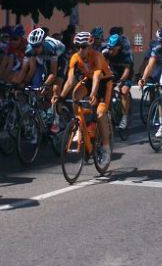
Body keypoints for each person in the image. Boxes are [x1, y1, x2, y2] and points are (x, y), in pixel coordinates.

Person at [53, 31, 113, 165]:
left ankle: (106, 148)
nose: (81, 49)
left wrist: (92, 94)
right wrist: (61, 97)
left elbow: (97, 77)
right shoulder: (75, 58)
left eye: (84, 46)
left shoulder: (96, 56)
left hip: (104, 81)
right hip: (89, 80)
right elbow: (70, 80)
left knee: (100, 113)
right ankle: (78, 124)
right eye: (78, 46)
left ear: (90, 46)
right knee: (75, 95)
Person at [103, 34, 134, 129]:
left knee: (124, 91)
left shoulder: (125, 54)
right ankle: (108, 114)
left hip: (126, 74)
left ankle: (124, 117)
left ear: (119, 47)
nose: (111, 50)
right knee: (107, 90)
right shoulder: (106, 52)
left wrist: (121, 81)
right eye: (110, 48)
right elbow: (105, 66)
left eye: (113, 48)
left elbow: (127, 70)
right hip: (114, 72)